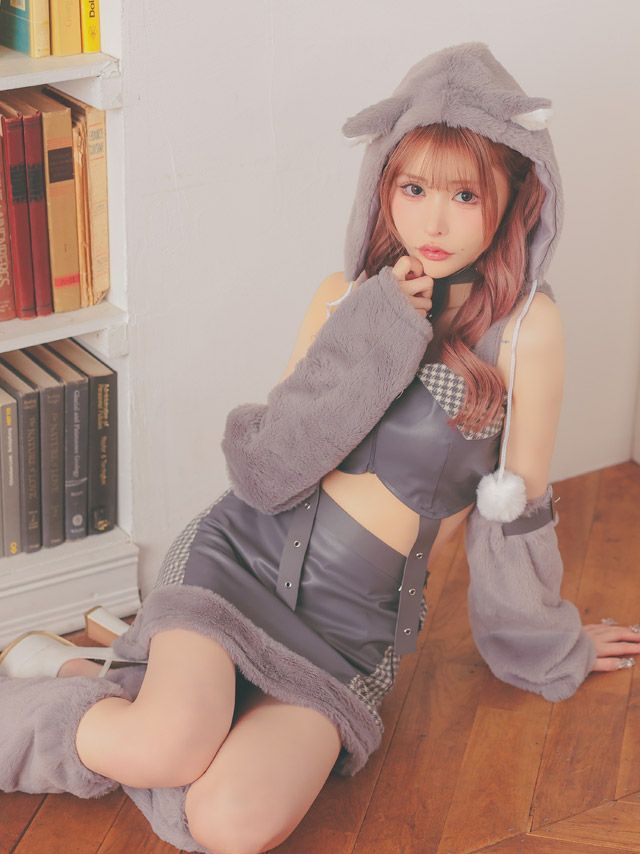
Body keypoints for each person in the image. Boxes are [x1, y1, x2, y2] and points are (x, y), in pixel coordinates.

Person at [1, 41, 639, 854]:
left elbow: (515, 513)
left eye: (464, 195)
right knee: (166, 746)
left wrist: (550, 642)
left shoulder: (525, 333)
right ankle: (111, 704)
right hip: (237, 563)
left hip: (345, 636)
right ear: (383, 184)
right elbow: (267, 469)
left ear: (515, 194)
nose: (433, 222)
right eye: (413, 189)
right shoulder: (345, 299)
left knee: (232, 825)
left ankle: (94, 677)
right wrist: (377, 325)